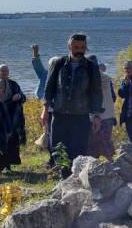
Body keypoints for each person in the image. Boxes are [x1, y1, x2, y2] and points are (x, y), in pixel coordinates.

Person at [42, 33, 104, 166]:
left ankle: (74, 178)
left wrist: (97, 115)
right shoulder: (58, 63)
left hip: (80, 116)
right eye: (76, 46)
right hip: (59, 115)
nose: (79, 50)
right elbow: (49, 87)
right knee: (58, 149)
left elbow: (96, 93)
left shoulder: (91, 66)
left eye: (82, 47)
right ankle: (63, 176)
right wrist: (45, 110)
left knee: (78, 151)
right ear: (69, 46)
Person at [86, 56, 117, 159]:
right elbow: (113, 97)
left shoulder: (94, 77)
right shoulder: (105, 77)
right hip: (108, 115)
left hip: (99, 116)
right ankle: (113, 165)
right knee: (105, 143)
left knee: (94, 144)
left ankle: (101, 167)